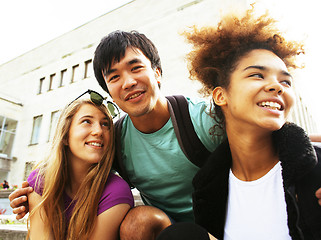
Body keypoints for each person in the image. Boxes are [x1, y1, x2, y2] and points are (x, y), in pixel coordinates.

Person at [9, 29, 321, 240]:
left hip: (229, 222)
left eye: (136, 68)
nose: (128, 82)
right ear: (110, 94)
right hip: (175, 235)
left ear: (157, 73)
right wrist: (34, 190)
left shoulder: (203, 118)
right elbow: (80, 171)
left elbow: (270, 132)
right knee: (138, 221)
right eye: (114, 77)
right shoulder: (114, 140)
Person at [157, 8, 321, 240]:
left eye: (285, 81)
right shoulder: (207, 190)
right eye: (257, 75)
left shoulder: (316, 168)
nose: (277, 87)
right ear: (221, 96)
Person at [26, 96, 134, 239]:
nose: (98, 131)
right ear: (65, 136)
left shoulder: (116, 190)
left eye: (105, 124)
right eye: (86, 121)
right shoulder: (40, 180)